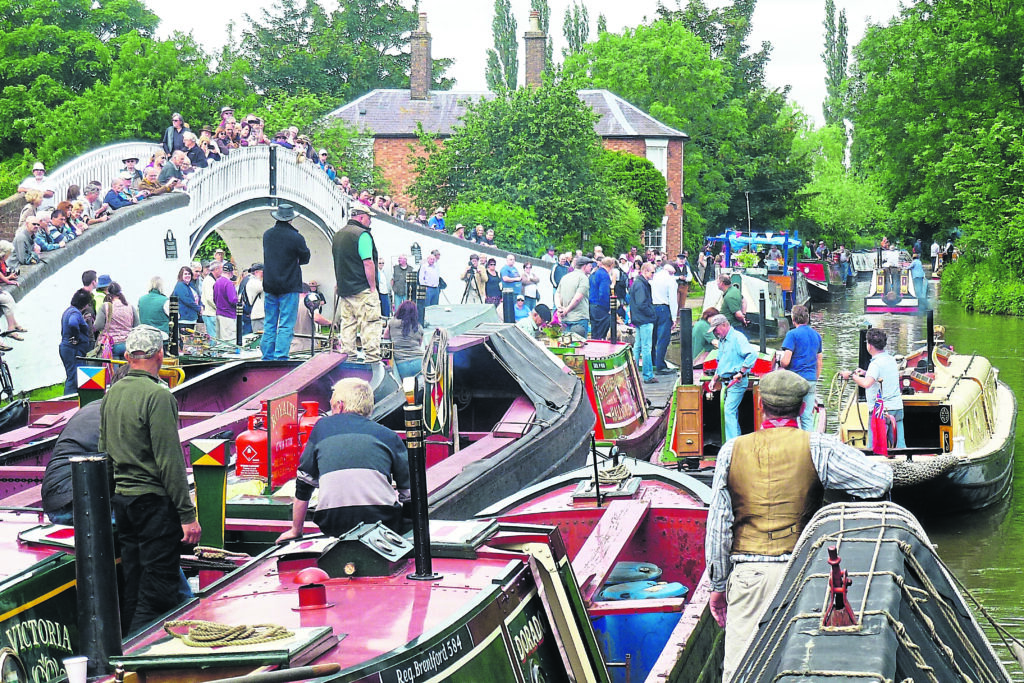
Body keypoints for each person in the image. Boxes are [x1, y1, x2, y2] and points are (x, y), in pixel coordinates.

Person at [705, 369, 894, 683]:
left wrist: (718, 586)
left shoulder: (730, 452)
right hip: (802, 576)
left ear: (760, 406)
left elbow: (719, 528)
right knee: (802, 669)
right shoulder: (819, 447)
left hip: (749, 576)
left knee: (740, 671)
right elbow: (879, 480)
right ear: (803, 408)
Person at [99, 326, 200, 632]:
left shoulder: (111, 394)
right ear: (160, 355)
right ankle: (139, 653)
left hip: (124, 503)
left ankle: (126, 644)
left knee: (135, 580)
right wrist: (187, 515)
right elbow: (169, 461)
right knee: (157, 587)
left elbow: (104, 453)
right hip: (153, 504)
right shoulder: (158, 396)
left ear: (128, 357)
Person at [276, 378, 410, 541]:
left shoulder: (322, 428)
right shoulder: (389, 436)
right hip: (383, 523)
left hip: (332, 524)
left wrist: (296, 530)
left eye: (332, 406)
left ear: (339, 406)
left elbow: (305, 482)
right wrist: (408, 527)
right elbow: (409, 490)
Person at [332, 204, 382, 362]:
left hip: (345, 289)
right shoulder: (362, 235)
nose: (370, 222)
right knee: (370, 323)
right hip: (362, 288)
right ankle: (372, 360)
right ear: (361, 217)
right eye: (369, 218)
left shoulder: (338, 235)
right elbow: (368, 262)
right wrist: (373, 287)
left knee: (348, 324)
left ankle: (348, 358)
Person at [841, 328, 906, 449]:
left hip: (880, 411)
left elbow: (866, 383)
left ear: (869, 346)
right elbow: (881, 375)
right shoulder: (891, 359)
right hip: (896, 407)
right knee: (900, 447)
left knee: (875, 449)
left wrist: (851, 375)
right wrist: (866, 373)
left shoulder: (875, 364)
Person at [262, 204, 310, 360]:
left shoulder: (267, 235)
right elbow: (305, 258)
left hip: (270, 284)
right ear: (291, 219)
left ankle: (267, 356)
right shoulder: (296, 237)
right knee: (286, 324)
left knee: (269, 323)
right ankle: (281, 355)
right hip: (289, 285)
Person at [709, 314, 758, 442]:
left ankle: (732, 445)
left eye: (716, 329)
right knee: (730, 411)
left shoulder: (738, 338)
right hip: (726, 381)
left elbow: (752, 355)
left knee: (729, 410)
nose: (715, 333)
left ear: (724, 325)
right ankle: (736, 441)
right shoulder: (722, 340)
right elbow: (721, 361)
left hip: (737, 381)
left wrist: (741, 372)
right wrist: (715, 378)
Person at [779, 304, 822, 431]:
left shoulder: (792, 335)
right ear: (807, 318)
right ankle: (809, 445)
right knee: (807, 416)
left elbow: (786, 361)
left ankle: (794, 445)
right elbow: (819, 361)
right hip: (811, 380)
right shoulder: (816, 335)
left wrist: (780, 362)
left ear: (793, 319)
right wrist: (815, 378)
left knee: (792, 416)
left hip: (795, 381)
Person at [58, 289, 93, 394]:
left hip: (69, 349)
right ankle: (68, 401)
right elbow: (73, 323)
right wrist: (76, 337)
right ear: (85, 304)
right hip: (73, 350)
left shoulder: (70, 311)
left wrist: (82, 320)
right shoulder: (75, 313)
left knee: (76, 376)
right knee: (73, 377)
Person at [94, 282, 139, 359]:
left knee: (113, 370)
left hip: (112, 345)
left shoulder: (106, 306)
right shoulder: (130, 306)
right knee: (126, 370)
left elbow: (98, 326)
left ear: (108, 292)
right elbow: (137, 326)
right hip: (128, 344)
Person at [629, 263, 657, 384]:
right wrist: (652, 313)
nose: (653, 275)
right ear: (645, 271)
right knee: (646, 348)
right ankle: (648, 375)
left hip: (638, 319)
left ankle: (633, 374)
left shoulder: (637, 283)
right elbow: (641, 303)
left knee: (638, 346)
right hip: (645, 319)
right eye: (652, 272)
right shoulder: (641, 285)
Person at [555, 256, 593, 337]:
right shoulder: (583, 278)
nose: (591, 267)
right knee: (579, 346)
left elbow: (557, 294)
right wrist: (566, 311)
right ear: (584, 266)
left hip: (565, 319)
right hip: (579, 319)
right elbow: (577, 299)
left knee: (566, 345)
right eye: (590, 265)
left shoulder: (565, 277)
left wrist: (559, 308)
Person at [651, 264, 678, 373]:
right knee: (663, 338)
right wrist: (674, 317)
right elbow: (672, 299)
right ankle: (660, 365)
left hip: (652, 308)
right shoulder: (670, 280)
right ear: (671, 272)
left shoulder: (654, 277)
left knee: (652, 338)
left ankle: (653, 362)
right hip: (664, 308)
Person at [386, 300, 423, 378]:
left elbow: (385, 337)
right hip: (419, 363)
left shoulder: (392, 323)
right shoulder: (418, 327)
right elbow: (420, 344)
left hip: (401, 365)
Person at [588, 256, 613, 340]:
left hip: (592, 306)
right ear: (611, 265)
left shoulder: (593, 274)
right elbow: (604, 293)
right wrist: (608, 307)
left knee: (594, 333)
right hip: (600, 307)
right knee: (601, 334)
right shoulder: (604, 275)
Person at [171, 267, 201, 334]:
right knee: (185, 341)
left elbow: (198, 297)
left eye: (189, 274)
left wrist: (201, 306)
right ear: (181, 275)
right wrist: (199, 308)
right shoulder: (180, 286)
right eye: (185, 274)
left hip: (192, 318)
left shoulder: (191, 285)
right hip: (184, 319)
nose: (188, 276)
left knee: (190, 340)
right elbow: (187, 300)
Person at [213, 262, 239, 340]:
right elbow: (233, 300)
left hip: (219, 313)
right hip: (228, 315)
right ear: (231, 272)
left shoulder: (217, 282)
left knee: (220, 340)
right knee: (229, 340)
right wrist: (241, 302)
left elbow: (214, 298)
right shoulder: (228, 283)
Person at [201, 260, 221, 337]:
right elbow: (210, 298)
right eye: (221, 269)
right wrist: (218, 309)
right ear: (216, 269)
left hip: (211, 313)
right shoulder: (209, 281)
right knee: (214, 338)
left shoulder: (212, 280)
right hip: (210, 313)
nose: (222, 271)